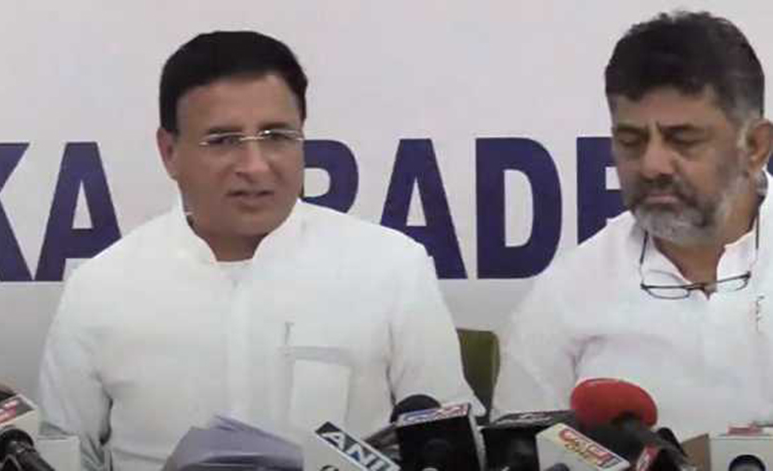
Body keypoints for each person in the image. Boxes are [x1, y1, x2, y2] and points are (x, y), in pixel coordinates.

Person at [38, 31, 477, 471]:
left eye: (276, 136)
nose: (255, 166)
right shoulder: (99, 288)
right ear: (169, 152)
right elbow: (61, 457)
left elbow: (455, 445)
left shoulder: (391, 267)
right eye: (223, 140)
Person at [493, 11, 773, 439]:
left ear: (754, 146)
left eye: (683, 140)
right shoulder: (566, 293)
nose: (652, 165)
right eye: (631, 141)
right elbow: (519, 454)